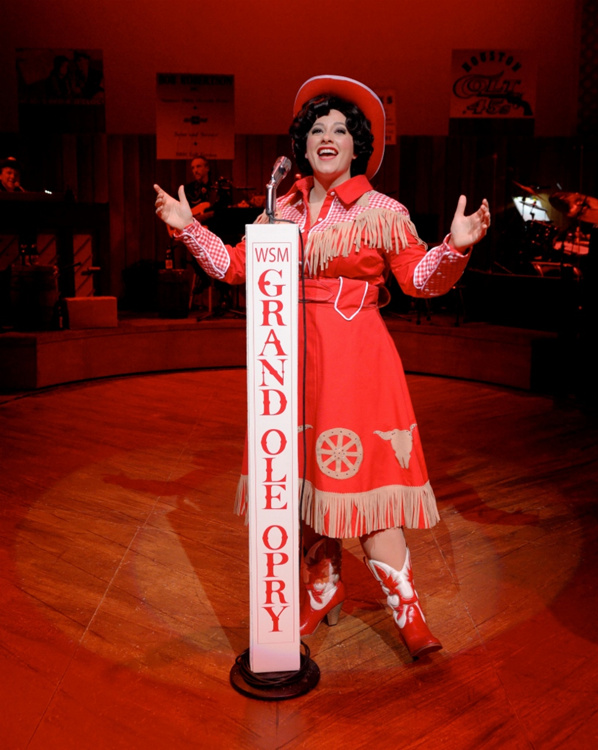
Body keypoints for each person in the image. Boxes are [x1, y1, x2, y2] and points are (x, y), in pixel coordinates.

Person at [154, 75, 490, 659]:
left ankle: (407, 612)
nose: (328, 137)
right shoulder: (278, 208)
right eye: (317, 129)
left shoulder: (384, 211)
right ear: (302, 145)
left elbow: (417, 279)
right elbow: (235, 268)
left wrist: (454, 248)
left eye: (340, 129)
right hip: (287, 366)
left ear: (358, 146)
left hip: (359, 364)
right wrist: (189, 229)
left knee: (370, 494)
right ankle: (320, 589)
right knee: (300, 490)